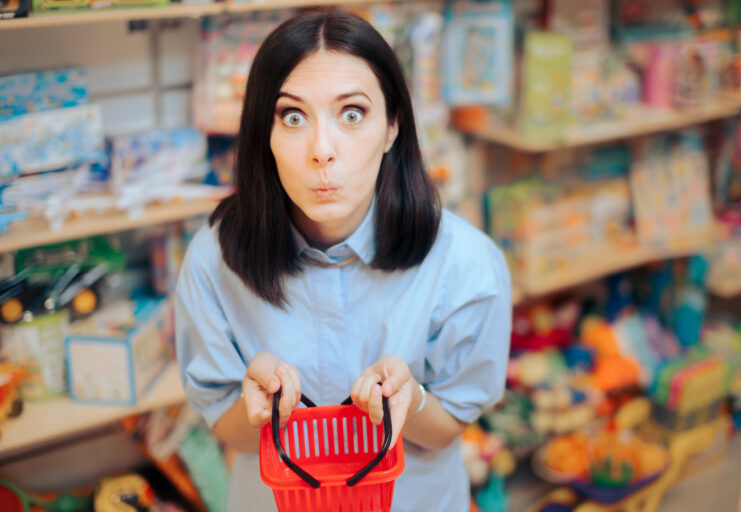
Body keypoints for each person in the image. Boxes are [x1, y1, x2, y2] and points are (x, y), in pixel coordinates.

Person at [174, 8, 512, 512]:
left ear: (392, 126)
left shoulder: (467, 264)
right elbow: (234, 435)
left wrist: (411, 401)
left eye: (352, 114)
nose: (321, 150)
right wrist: (258, 410)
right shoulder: (213, 258)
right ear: (262, 134)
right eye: (292, 116)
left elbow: (446, 430)